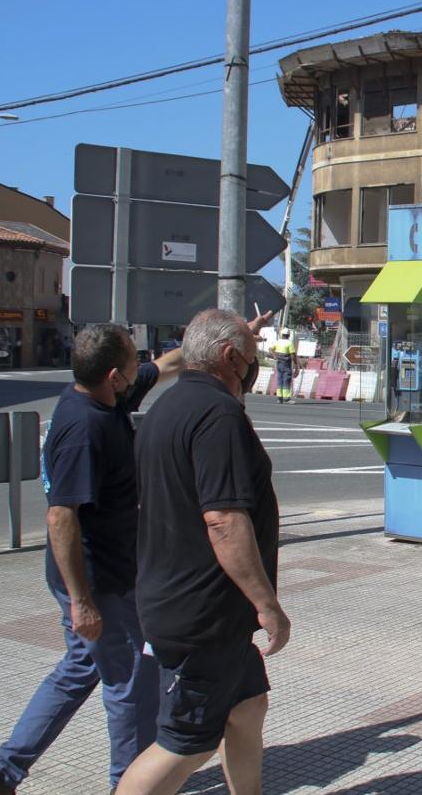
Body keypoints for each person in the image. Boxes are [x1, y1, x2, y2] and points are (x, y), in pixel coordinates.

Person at [0, 324, 182, 795]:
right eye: (132, 360)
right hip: (97, 581)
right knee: (128, 681)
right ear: (115, 375)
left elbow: (166, 366)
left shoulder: (104, 396)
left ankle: (3, 772)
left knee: (82, 667)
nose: (142, 363)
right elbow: (61, 518)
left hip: (104, 575)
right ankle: (131, 785)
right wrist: (82, 602)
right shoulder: (85, 428)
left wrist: (232, 330)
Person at [118, 309, 287, 795]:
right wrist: (267, 605)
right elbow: (224, 520)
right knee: (186, 743)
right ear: (229, 357)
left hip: (194, 605)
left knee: (247, 708)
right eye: (251, 362)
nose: (253, 374)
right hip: (202, 614)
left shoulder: (167, 408)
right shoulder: (219, 416)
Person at [270, 328, 295, 403]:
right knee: (286, 380)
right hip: (286, 364)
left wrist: (274, 355)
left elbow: (270, 349)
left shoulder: (278, 342)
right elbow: (292, 355)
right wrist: (296, 365)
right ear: (289, 335)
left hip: (279, 363)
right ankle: (286, 398)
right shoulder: (289, 343)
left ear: (282, 334)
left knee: (280, 379)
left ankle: (279, 398)